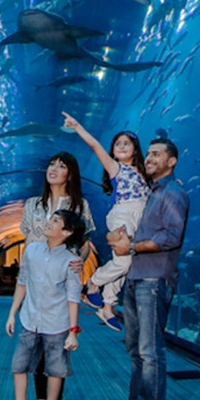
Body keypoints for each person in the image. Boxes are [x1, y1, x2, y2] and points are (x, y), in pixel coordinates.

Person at [106, 137, 189, 400]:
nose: (150, 158)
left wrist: (131, 247)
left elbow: (171, 237)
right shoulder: (150, 192)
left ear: (172, 161)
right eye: (149, 154)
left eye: (157, 154)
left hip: (154, 278)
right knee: (134, 348)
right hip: (136, 276)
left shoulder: (174, 193)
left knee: (150, 349)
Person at [0, 209, 85, 400]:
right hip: (30, 319)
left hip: (57, 323)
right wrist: (12, 313)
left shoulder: (71, 262)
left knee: (55, 369)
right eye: (50, 218)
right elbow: (22, 282)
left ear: (67, 232)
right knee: (19, 365)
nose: (48, 222)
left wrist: (73, 332)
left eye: (55, 221)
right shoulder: (32, 250)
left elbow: (73, 298)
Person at [19, 151, 94, 400]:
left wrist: (79, 261)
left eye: (61, 166)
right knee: (35, 346)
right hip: (36, 279)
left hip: (61, 280)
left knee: (57, 345)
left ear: (70, 175)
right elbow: (28, 238)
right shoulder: (32, 204)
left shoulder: (80, 206)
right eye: (51, 164)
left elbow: (85, 243)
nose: (53, 169)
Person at [63, 112, 150, 331]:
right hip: (123, 215)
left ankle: (108, 306)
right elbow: (94, 145)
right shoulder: (116, 168)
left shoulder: (144, 173)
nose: (121, 146)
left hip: (139, 218)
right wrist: (78, 126)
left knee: (126, 264)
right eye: (117, 143)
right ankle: (93, 282)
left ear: (135, 149)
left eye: (126, 143)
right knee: (124, 263)